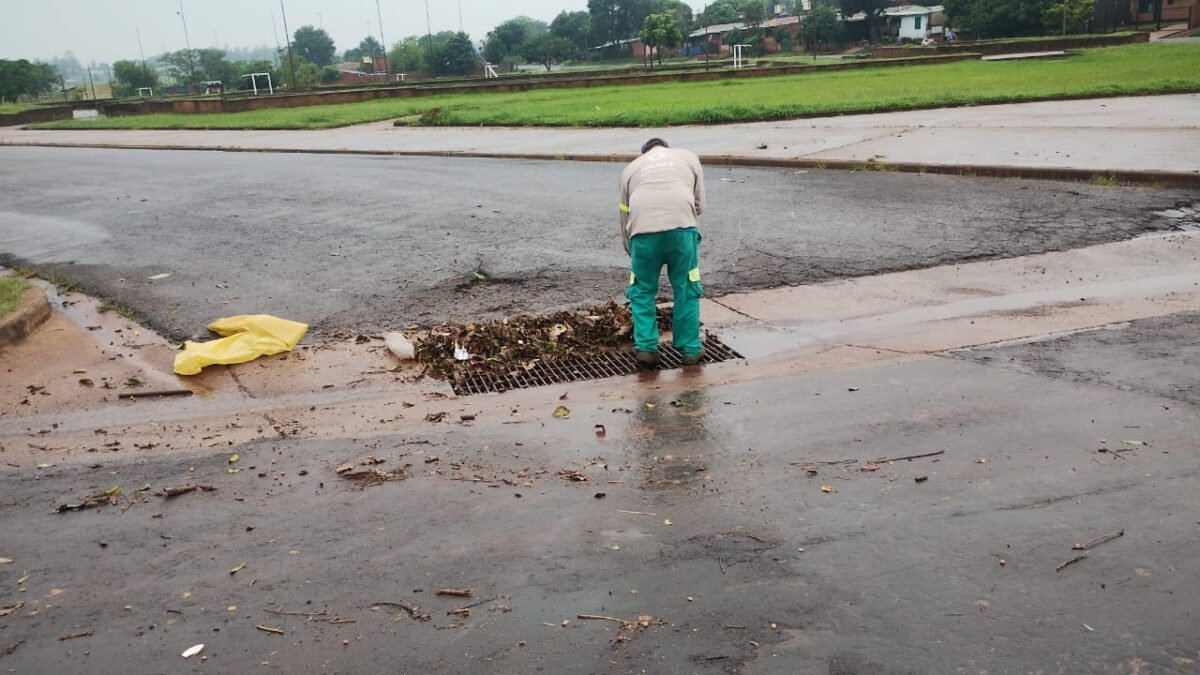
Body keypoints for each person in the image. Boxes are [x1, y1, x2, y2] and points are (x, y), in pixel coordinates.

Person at [618, 138, 706, 367]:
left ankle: (647, 349)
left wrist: (632, 247)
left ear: (644, 152)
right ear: (666, 148)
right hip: (681, 229)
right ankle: (690, 350)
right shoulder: (687, 157)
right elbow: (699, 205)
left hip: (643, 234)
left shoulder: (630, 169)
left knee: (642, 290)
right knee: (686, 286)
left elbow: (624, 214)